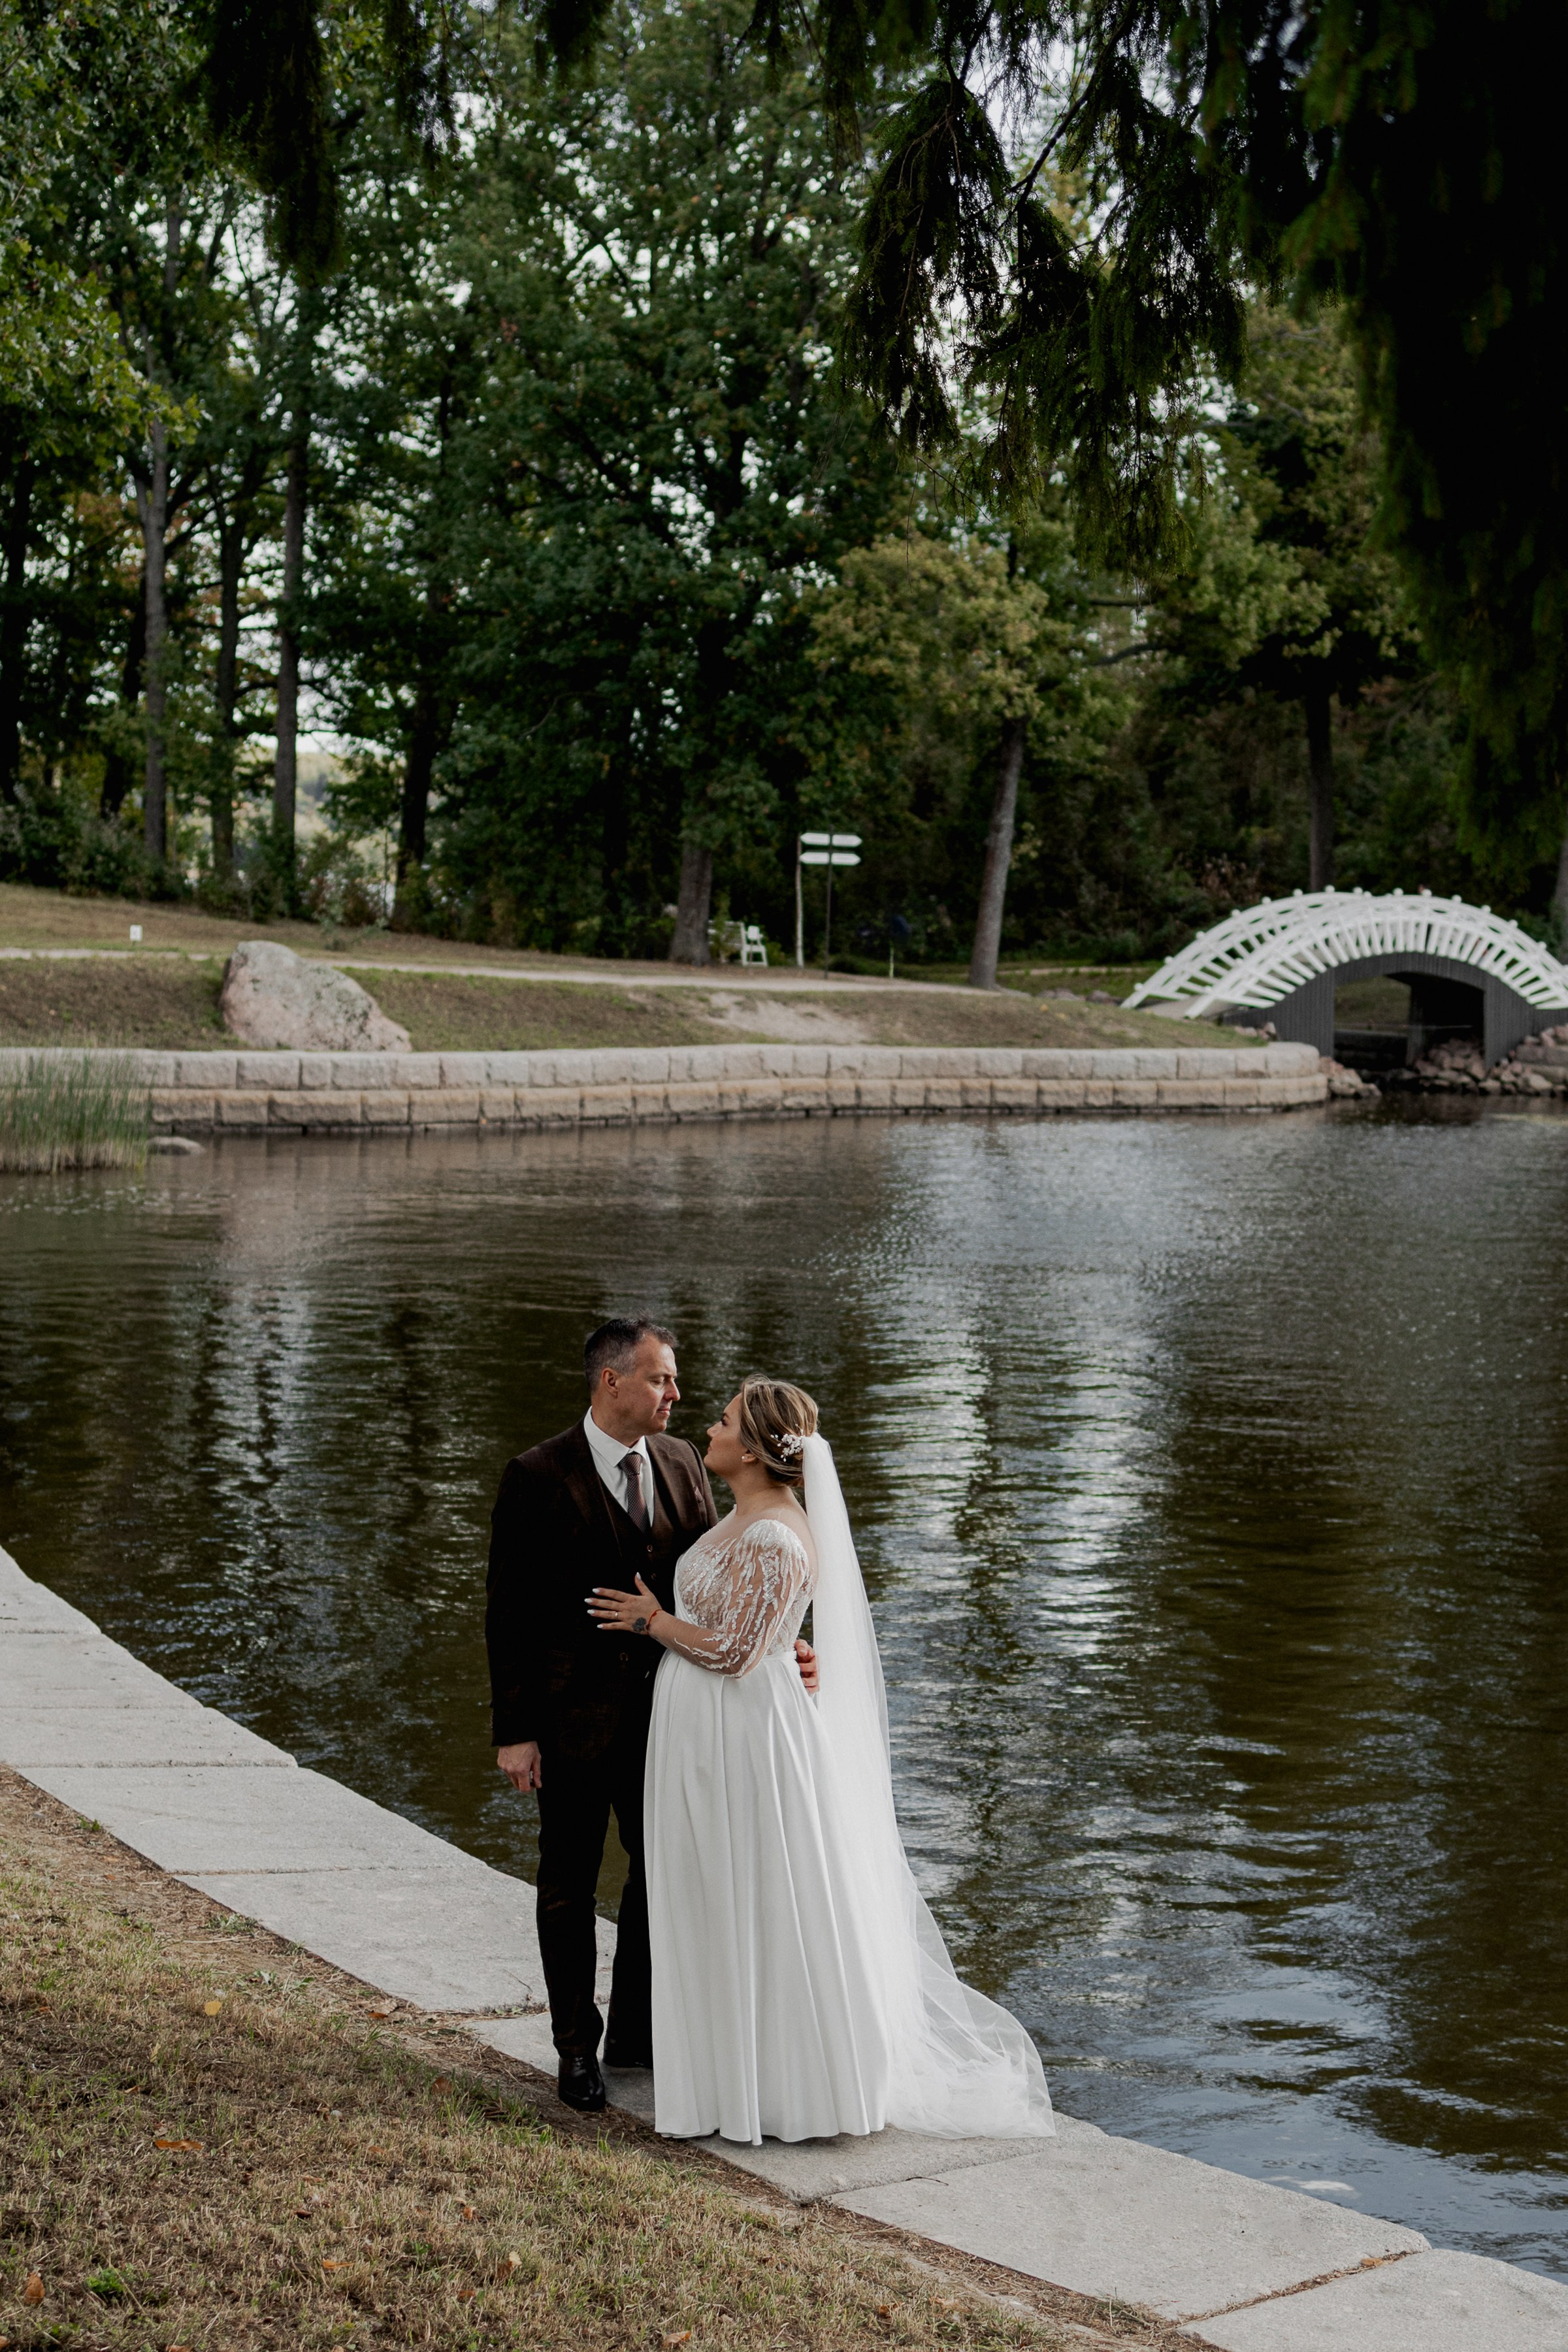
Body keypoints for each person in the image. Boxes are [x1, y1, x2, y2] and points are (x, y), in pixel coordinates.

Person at [588, 1377, 1054, 2146]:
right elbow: (744, 1625)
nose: (710, 1425)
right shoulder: (741, 1517)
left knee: (758, 1893)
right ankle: (717, 2076)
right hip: (704, 1733)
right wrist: (674, 1616)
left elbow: (739, 1653)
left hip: (746, 1738)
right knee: (715, 1895)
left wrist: (653, 1620)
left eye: (726, 1420)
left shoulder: (777, 1533)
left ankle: (779, 2089)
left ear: (753, 1447)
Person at [485, 1318, 817, 2114]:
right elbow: (509, 1614)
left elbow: (730, 1581)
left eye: (675, 1381)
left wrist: (788, 1646)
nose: (677, 1394)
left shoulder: (681, 1465)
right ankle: (576, 2049)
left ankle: (639, 2031)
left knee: (661, 1877)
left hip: (675, 1722)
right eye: (662, 1379)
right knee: (567, 1881)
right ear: (612, 1382)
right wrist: (514, 1732)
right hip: (568, 1723)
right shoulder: (535, 1475)